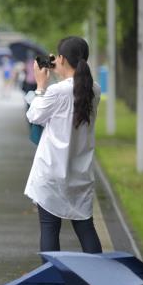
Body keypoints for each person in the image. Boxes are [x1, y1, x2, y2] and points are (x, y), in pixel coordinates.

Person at [25, 36, 103, 253]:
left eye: (57, 58)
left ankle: (54, 281)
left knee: (49, 229)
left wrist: (40, 84)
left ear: (61, 58)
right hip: (80, 172)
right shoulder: (94, 89)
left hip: (51, 173)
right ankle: (98, 279)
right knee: (86, 228)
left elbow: (34, 115)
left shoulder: (57, 91)